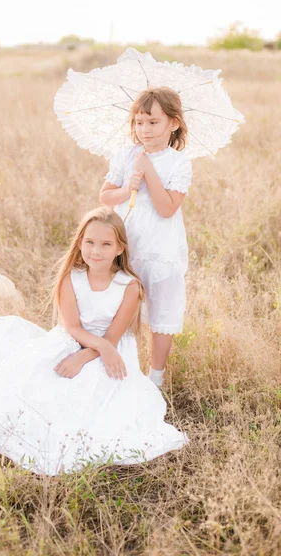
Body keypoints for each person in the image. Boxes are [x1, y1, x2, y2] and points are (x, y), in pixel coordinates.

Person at [0, 206, 187, 475]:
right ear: (80, 243)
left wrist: (90, 354)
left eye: (106, 244)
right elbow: (72, 327)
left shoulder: (129, 286)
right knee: (37, 380)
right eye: (89, 242)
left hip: (111, 351)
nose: (96, 251)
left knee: (96, 399)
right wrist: (90, 348)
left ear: (119, 249)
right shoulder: (71, 278)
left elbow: (113, 337)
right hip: (71, 340)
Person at [100, 88, 192, 388]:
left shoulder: (179, 163)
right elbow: (105, 196)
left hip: (161, 249)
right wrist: (129, 186)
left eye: (153, 122)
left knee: (161, 317)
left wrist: (149, 171)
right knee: (122, 312)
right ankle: (121, 373)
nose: (144, 130)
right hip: (129, 246)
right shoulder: (126, 155)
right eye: (139, 122)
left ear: (173, 123)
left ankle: (155, 381)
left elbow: (167, 208)